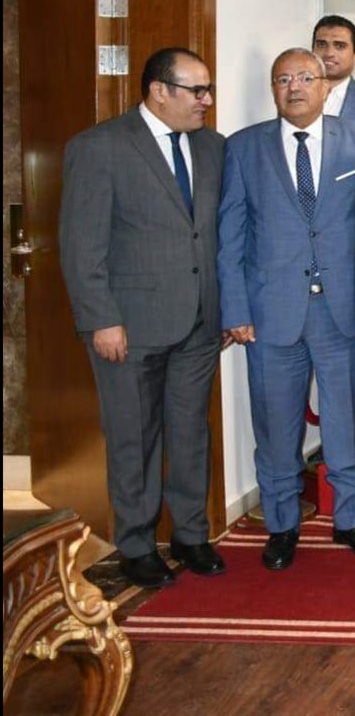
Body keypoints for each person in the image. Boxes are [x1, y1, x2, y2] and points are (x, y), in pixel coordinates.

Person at [60, 46, 227, 587]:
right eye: (196, 90)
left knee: (191, 433)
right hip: (129, 326)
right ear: (158, 90)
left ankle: (191, 535)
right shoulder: (100, 147)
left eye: (208, 89)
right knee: (134, 437)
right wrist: (100, 319)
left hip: (199, 322)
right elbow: (81, 246)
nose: (206, 100)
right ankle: (135, 544)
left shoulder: (213, 147)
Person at [217, 49, 355, 569]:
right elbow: (230, 236)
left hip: (343, 310)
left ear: (325, 85)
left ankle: (350, 519)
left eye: (305, 77)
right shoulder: (244, 147)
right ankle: (282, 524)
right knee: (275, 427)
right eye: (282, 79)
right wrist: (235, 309)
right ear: (273, 89)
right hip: (270, 314)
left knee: (347, 423)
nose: (294, 87)